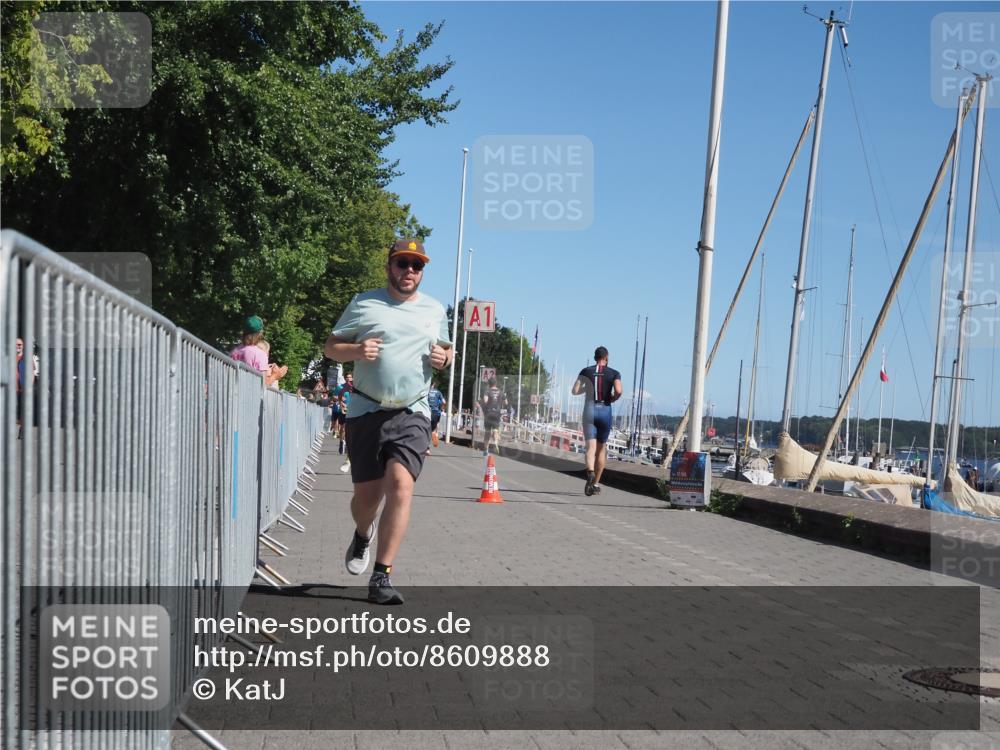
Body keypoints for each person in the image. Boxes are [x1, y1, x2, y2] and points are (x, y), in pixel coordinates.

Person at [325, 238, 452, 605]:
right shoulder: (364, 303)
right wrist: (355, 350)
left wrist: (446, 358)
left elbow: (446, 349)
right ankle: (363, 533)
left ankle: (382, 576)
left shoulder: (433, 309)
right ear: (389, 266)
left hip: (412, 410)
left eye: (417, 265)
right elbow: (330, 346)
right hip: (365, 409)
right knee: (367, 499)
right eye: (403, 263)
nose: (409, 271)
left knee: (400, 484)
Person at [572, 346, 622, 496]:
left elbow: (574, 391)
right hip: (605, 410)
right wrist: (612, 399)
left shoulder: (585, 371)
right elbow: (619, 391)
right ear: (606, 358)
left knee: (590, 448)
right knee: (601, 450)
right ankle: (595, 484)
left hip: (589, 409)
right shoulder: (614, 373)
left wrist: (586, 389)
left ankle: (590, 472)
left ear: (595, 358)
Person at [481, 378, 504, 456]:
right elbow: (506, 402)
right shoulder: (501, 392)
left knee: (487, 432)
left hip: (488, 413)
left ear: (489, 384)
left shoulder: (487, 391)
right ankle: (495, 442)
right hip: (497, 414)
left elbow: (485, 401)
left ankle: (485, 450)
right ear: (496, 383)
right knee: (495, 430)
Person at [427, 386, 446, 451]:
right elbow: (444, 402)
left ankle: (427, 448)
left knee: (426, 429)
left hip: (427, 412)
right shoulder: (438, 392)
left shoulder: (427, 392)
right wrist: (442, 408)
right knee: (433, 428)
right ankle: (435, 433)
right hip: (436, 412)